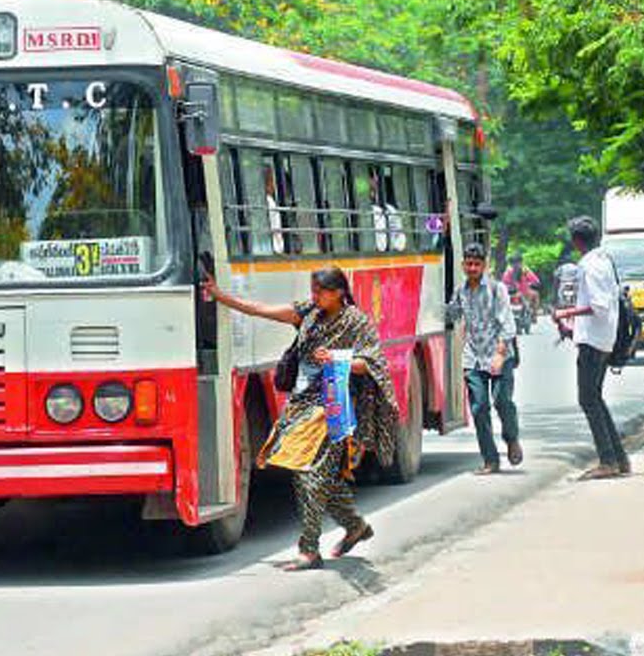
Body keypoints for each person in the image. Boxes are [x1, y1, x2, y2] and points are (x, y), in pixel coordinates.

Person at [200, 266, 400, 571]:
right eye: (313, 290)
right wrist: (220, 297)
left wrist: (338, 357)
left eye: (320, 291)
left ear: (339, 293)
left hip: (335, 403)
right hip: (301, 403)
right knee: (310, 471)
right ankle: (355, 525)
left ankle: (309, 549)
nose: (314, 296)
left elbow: (373, 364)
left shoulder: (356, 322)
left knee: (310, 473)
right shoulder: (309, 313)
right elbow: (261, 310)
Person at [551, 216, 630, 479]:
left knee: (588, 400)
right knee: (595, 398)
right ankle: (619, 458)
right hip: (603, 338)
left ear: (576, 241)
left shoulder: (588, 265)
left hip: (594, 341)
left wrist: (567, 313)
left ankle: (608, 460)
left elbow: (598, 306)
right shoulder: (604, 259)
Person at [448, 242, 522, 474]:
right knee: (479, 408)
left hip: (499, 353)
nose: (472, 268)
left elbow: (507, 323)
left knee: (502, 402)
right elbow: (452, 313)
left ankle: (511, 439)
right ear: (463, 265)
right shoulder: (461, 291)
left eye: (476, 264)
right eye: (468, 264)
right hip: (473, 357)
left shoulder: (496, 289)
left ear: (484, 266)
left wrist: (499, 355)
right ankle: (490, 460)